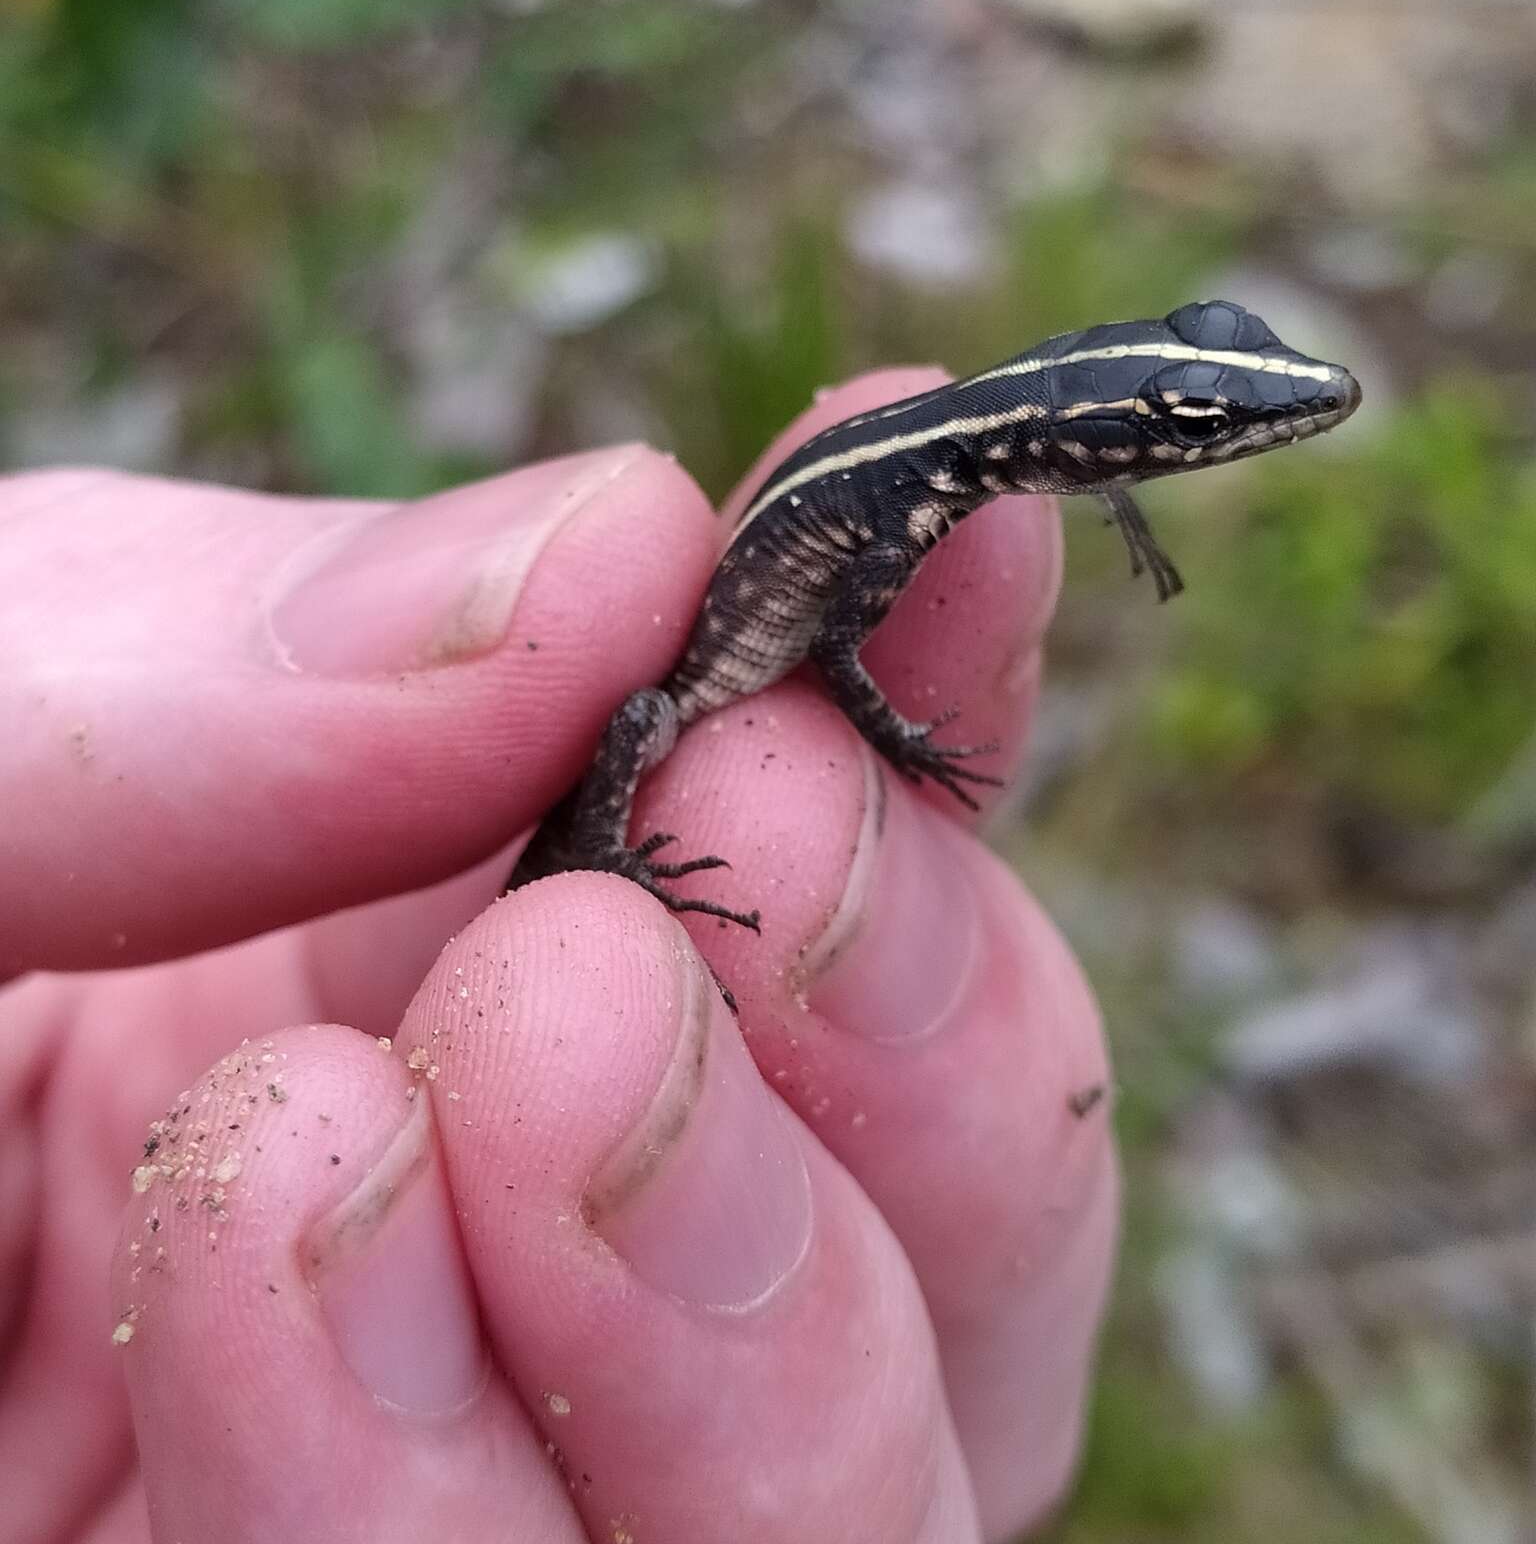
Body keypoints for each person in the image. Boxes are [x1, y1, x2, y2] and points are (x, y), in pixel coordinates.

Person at [0, 365, 1116, 1543]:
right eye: (1178, 434)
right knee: (638, 757)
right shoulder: (923, 483)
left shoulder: (963, 468)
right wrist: (896, 741)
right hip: (682, 690)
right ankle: (609, 876)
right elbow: (841, 642)